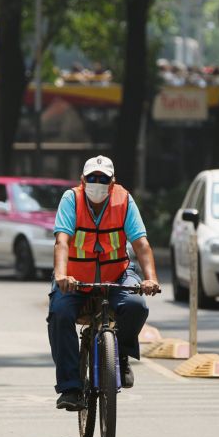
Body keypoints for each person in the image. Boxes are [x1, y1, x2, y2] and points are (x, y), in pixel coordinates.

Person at [48, 155, 160, 411]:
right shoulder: (71, 199)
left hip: (116, 274)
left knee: (136, 306)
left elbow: (141, 244)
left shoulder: (124, 200)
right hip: (75, 279)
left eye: (103, 179)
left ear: (112, 182)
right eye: (92, 178)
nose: (97, 183)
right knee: (59, 314)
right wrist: (61, 275)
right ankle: (70, 387)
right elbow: (62, 241)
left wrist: (151, 278)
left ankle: (120, 356)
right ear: (82, 180)